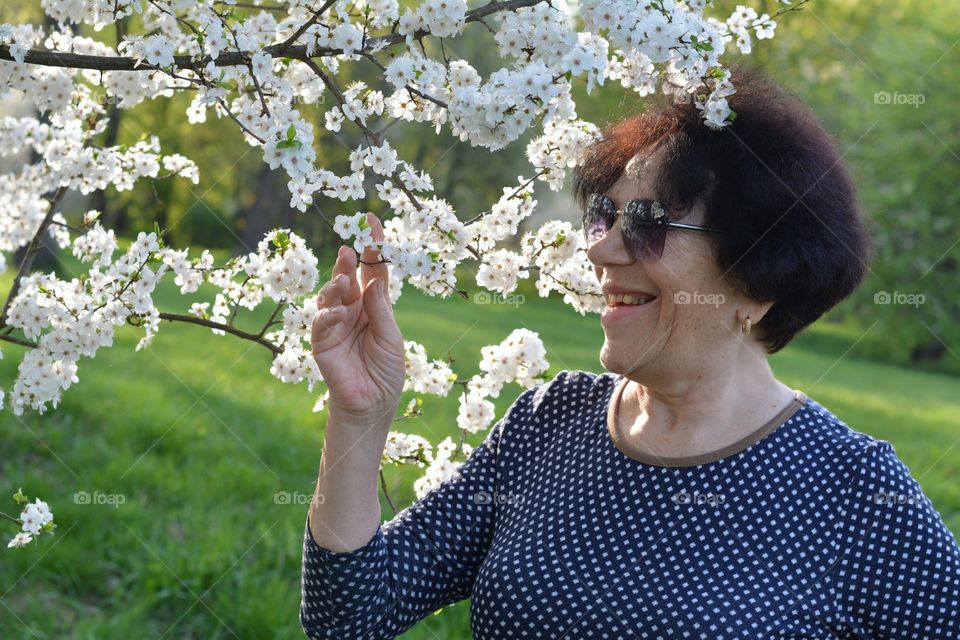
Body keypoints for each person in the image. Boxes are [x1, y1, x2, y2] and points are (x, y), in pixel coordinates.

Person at [300, 65, 960, 639]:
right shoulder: (548, 423)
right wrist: (359, 418)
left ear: (759, 279)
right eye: (604, 214)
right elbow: (351, 617)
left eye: (646, 225)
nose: (600, 248)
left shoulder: (851, 489)